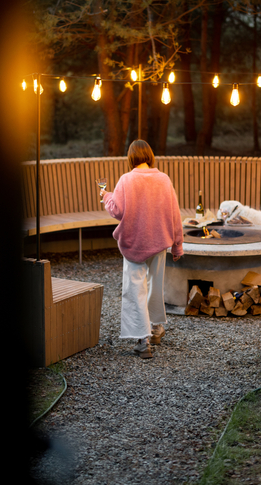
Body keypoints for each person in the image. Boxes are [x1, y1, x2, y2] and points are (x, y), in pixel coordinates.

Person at [100, 140, 183, 359]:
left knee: (134, 289)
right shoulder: (164, 179)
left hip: (134, 243)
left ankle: (142, 341)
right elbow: (175, 213)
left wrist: (106, 196)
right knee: (155, 285)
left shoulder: (126, 180)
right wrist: (177, 245)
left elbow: (117, 211)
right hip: (159, 242)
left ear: (131, 158)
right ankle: (156, 329)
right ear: (149, 156)